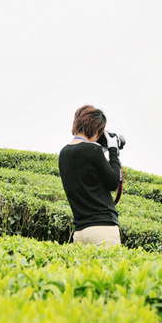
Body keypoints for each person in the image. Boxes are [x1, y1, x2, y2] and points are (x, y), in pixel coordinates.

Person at [58, 105, 122, 247]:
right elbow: (113, 183)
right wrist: (113, 151)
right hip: (102, 229)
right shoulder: (93, 150)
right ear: (97, 129)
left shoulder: (64, 153)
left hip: (80, 231)